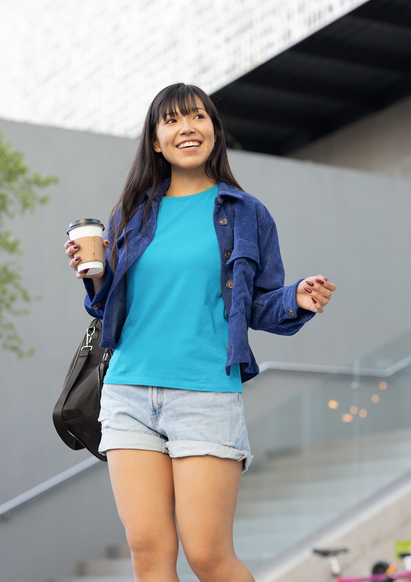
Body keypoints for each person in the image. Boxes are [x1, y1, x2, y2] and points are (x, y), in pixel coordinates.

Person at [65, 83, 336, 582]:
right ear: (155, 140)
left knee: (208, 555)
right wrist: (97, 274)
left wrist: (295, 297)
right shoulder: (132, 212)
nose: (186, 128)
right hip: (127, 392)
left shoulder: (247, 213)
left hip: (205, 393)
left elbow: (257, 304)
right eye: (172, 121)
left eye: (197, 117)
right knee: (147, 551)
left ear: (214, 129)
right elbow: (109, 310)